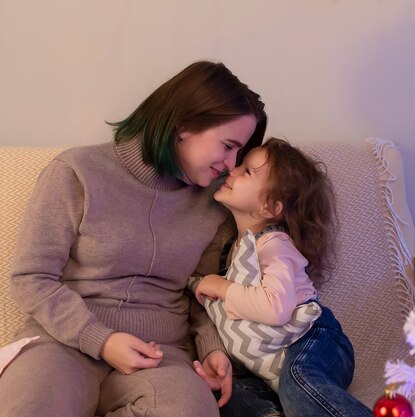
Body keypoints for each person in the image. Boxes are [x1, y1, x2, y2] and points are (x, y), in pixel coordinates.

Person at [0, 61, 266, 417]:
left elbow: (201, 289)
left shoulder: (214, 202)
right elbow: (31, 278)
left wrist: (211, 347)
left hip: (160, 355)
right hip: (61, 341)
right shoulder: (76, 172)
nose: (232, 164)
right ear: (185, 124)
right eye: (228, 146)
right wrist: (101, 339)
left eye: (240, 153)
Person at [192, 137, 372, 417]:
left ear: (270, 208)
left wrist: (222, 287)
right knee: (223, 394)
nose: (233, 170)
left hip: (314, 341)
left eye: (247, 171)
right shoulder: (235, 247)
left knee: (299, 383)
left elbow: (276, 308)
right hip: (270, 368)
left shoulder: (274, 244)